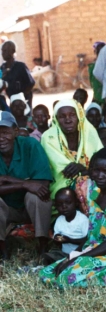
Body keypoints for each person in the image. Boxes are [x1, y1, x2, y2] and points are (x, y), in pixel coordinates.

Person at [39, 148, 106, 288]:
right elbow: (92, 236)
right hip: (97, 249)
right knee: (47, 272)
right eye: (96, 170)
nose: (100, 176)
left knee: (68, 275)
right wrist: (73, 255)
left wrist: (77, 258)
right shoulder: (94, 194)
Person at [0, 110, 53, 258]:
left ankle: (43, 247)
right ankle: (3, 251)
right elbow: (31, 184)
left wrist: (7, 179)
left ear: (16, 131)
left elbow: (42, 185)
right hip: (6, 210)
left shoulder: (30, 145)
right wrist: (24, 184)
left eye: (5, 132)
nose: (1, 138)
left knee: (37, 196)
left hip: (30, 209)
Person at [40, 100, 103, 200]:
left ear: (79, 116)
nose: (68, 120)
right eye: (62, 116)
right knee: (85, 186)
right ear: (56, 119)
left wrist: (84, 169)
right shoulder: (48, 137)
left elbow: (101, 158)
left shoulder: (89, 132)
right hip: (62, 185)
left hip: (93, 177)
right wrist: (83, 170)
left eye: (72, 115)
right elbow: (66, 170)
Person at [47, 187, 89, 263]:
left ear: (76, 202)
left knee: (79, 260)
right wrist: (57, 238)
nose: (64, 207)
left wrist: (69, 240)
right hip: (64, 254)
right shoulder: (59, 219)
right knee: (48, 256)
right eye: (60, 205)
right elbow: (57, 236)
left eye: (68, 203)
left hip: (79, 254)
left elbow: (87, 240)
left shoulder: (82, 219)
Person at [1, 41, 35, 105]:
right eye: (2, 51)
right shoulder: (2, 68)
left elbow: (31, 83)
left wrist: (21, 97)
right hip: (12, 99)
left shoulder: (20, 66)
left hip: (23, 101)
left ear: (13, 51)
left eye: (5, 51)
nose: (3, 53)